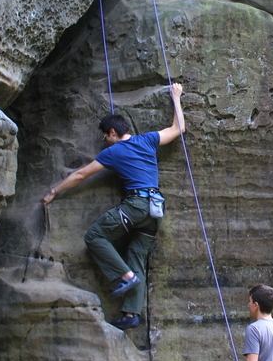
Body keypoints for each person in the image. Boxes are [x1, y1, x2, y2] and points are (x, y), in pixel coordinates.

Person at [42, 83, 185, 331]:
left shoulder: (115, 151)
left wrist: (54, 191)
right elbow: (179, 128)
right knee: (136, 255)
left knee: (95, 236)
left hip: (137, 205)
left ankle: (125, 276)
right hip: (155, 210)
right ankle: (131, 314)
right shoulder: (148, 140)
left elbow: (81, 175)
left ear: (112, 132)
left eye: (105, 136)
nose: (104, 141)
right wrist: (176, 97)